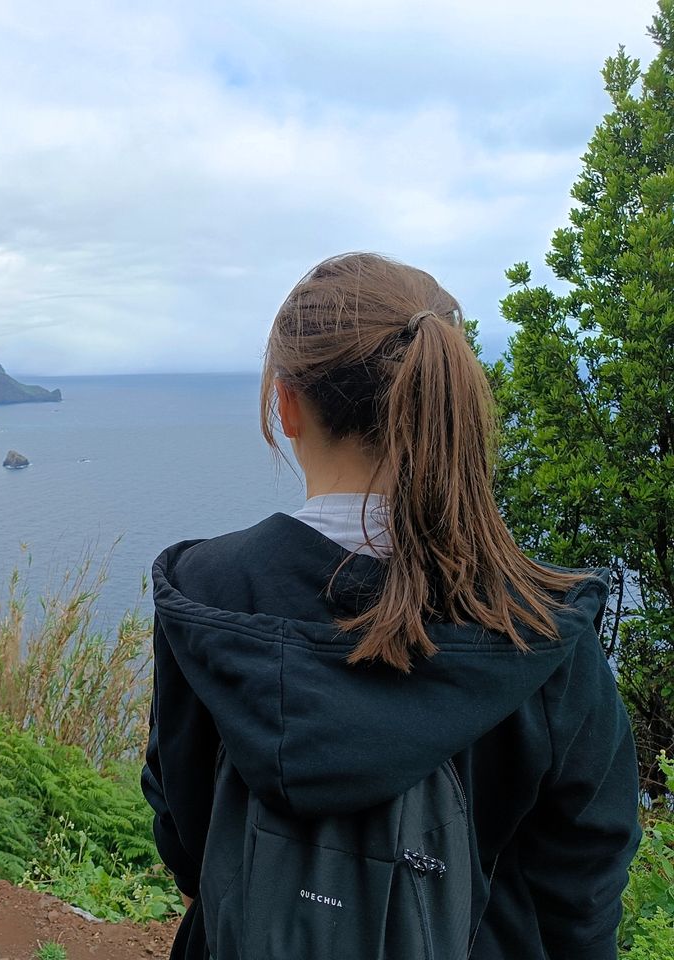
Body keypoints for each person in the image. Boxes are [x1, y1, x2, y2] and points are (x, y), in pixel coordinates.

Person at [141, 253, 641, 960]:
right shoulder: (539, 628)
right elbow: (583, 885)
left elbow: (187, 836)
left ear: (286, 405)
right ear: (444, 398)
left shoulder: (205, 594)